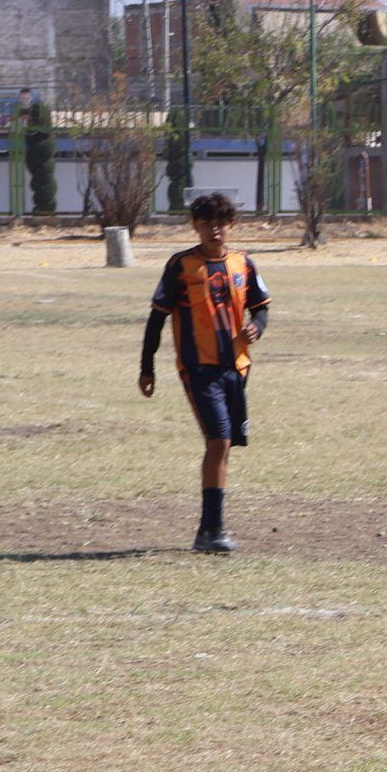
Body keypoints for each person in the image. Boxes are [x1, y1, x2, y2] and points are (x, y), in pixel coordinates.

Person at [139, 191, 271, 555]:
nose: (214, 231)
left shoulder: (243, 264)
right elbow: (157, 319)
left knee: (226, 444)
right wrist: (147, 367)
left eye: (220, 224)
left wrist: (257, 327)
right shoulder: (181, 266)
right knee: (219, 441)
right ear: (195, 227)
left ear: (231, 226)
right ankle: (211, 529)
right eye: (206, 225)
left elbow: (260, 308)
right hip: (199, 367)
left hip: (237, 367)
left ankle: (210, 529)